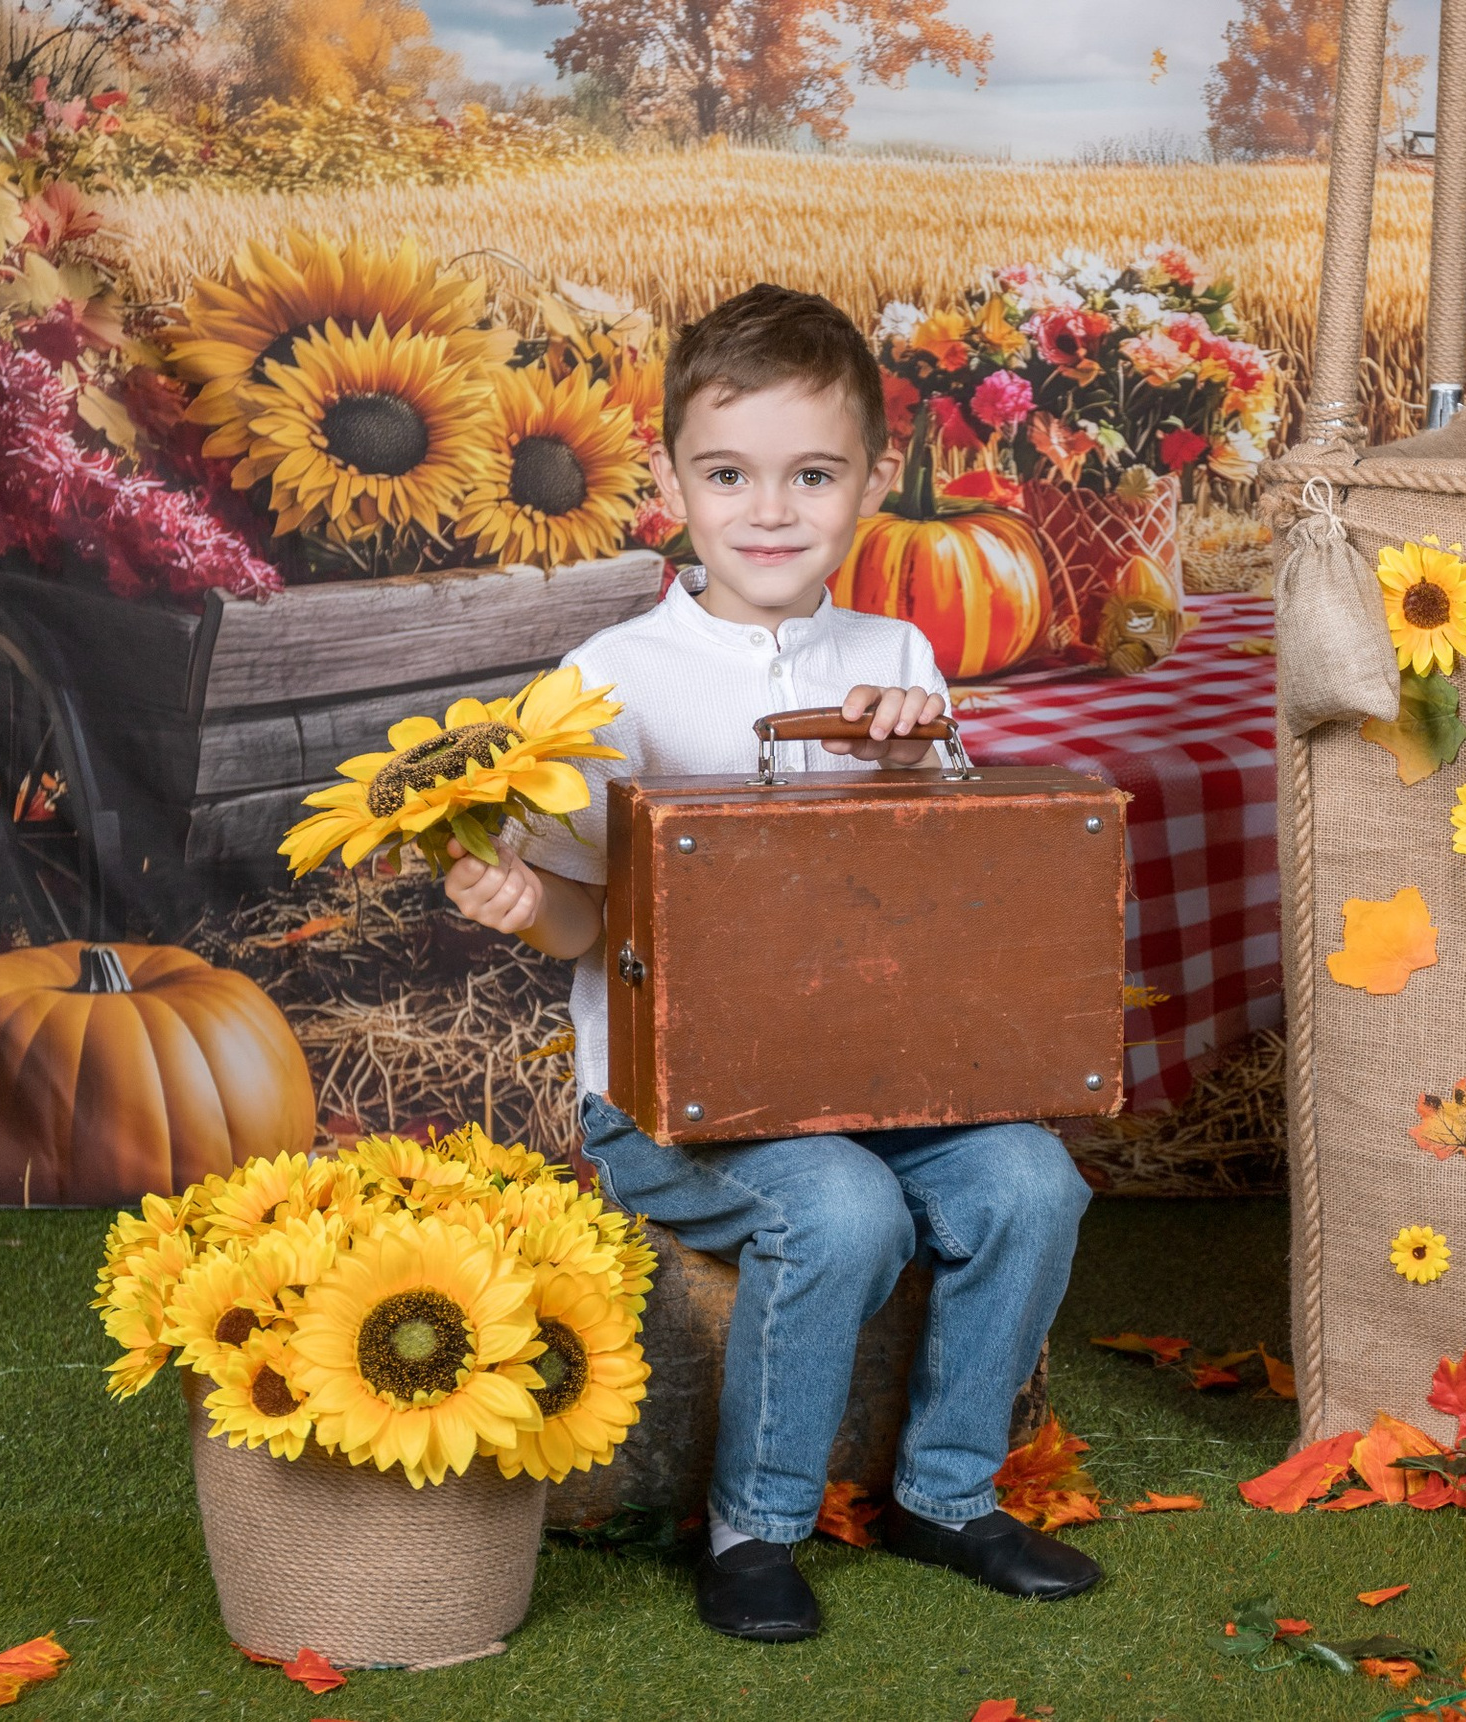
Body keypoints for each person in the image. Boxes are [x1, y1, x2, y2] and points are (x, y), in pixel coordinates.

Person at [441, 283, 1099, 1642]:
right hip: (677, 1112)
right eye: (730, 474)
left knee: (1033, 1178)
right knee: (843, 1209)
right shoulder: (609, 678)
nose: (771, 511)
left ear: (870, 480)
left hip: (884, 1080)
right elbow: (587, 924)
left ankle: (946, 1493)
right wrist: (524, 900)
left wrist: (920, 761)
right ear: (674, 481)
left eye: (812, 474)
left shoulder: (898, 654)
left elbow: (948, 902)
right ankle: (758, 1526)